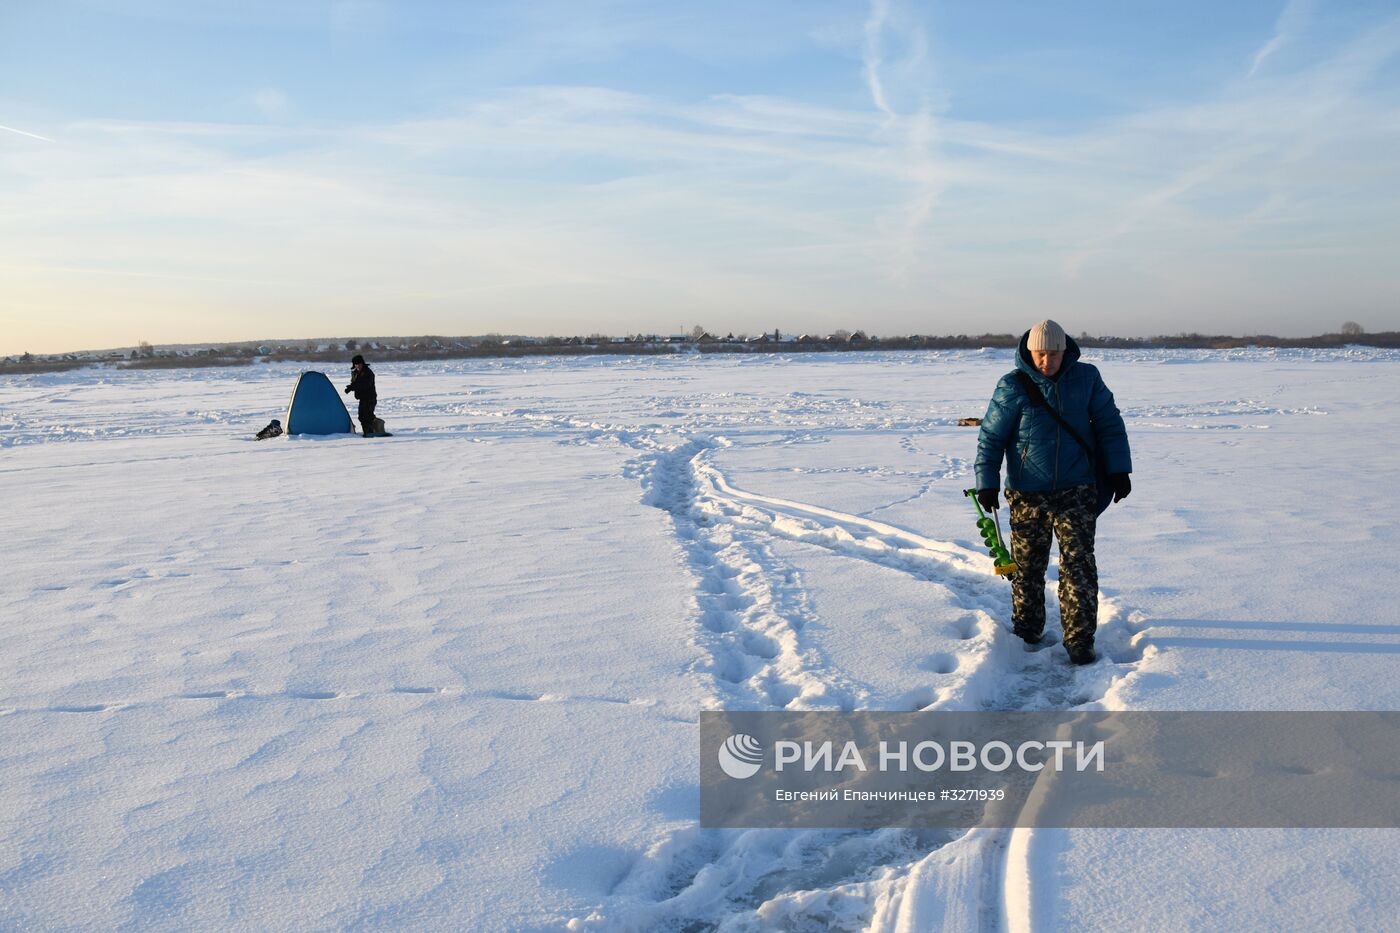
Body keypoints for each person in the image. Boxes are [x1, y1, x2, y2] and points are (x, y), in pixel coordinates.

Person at [973, 320, 1132, 665]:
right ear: (1030, 352)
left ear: (1065, 351)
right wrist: (987, 482)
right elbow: (991, 438)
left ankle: (1079, 640)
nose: (1047, 361)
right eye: (1041, 354)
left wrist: (1120, 470)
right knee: (1028, 568)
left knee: (1079, 566)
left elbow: (1109, 425)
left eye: (1054, 354)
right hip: (1028, 494)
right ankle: (1028, 628)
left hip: (1077, 490)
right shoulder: (1012, 386)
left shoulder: (1086, 379)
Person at [344, 354, 378, 436]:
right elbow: (355, 383)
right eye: (356, 364)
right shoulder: (355, 373)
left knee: (367, 416)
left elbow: (365, 385)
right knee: (362, 416)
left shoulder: (368, 373)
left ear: (362, 363)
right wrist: (350, 387)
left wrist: (353, 387)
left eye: (359, 364)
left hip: (370, 398)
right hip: (362, 398)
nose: (358, 366)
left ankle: (369, 433)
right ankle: (370, 431)